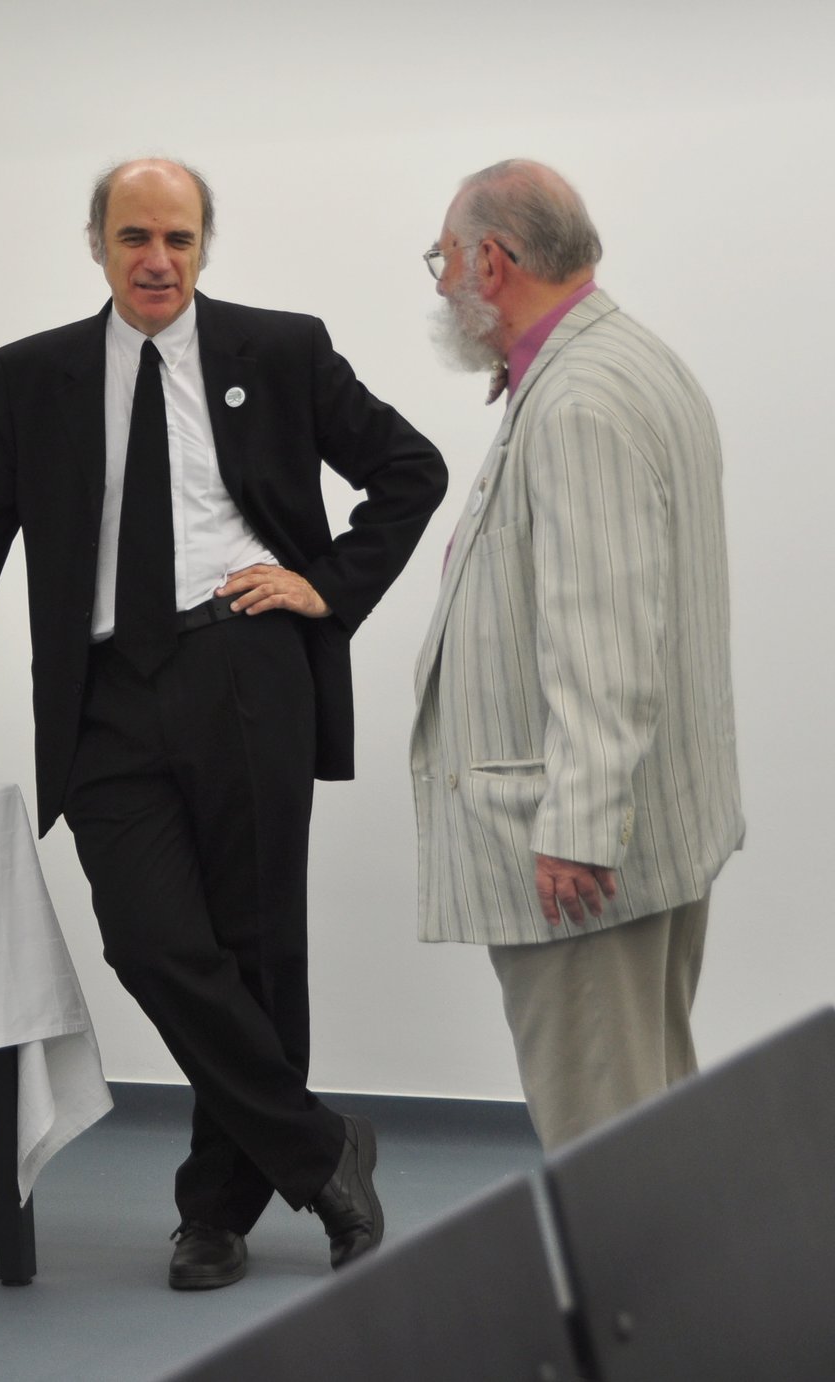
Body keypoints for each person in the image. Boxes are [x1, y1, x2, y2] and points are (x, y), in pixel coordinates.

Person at [0, 158, 446, 1288]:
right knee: (149, 940)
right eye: (134, 237)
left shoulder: (278, 351)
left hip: (245, 665)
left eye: (178, 239)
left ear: (203, 246)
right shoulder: (31, 376)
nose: (157, 260)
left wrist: (326, 584)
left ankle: (214, 1215)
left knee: (256, 948)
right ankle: (322, 1148)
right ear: (96, 243)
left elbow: (409, 470)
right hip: (104, 695)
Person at [411, 159, 745, 1151]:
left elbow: (603, 635)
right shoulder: (623, 359)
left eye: (444, 258)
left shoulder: (579, 399)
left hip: (585, 863)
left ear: (492, 261)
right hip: (644, 830)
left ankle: (636, 1266)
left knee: (604, 1141)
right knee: (648, 1113)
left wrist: (579, 828)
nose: (442, 281)